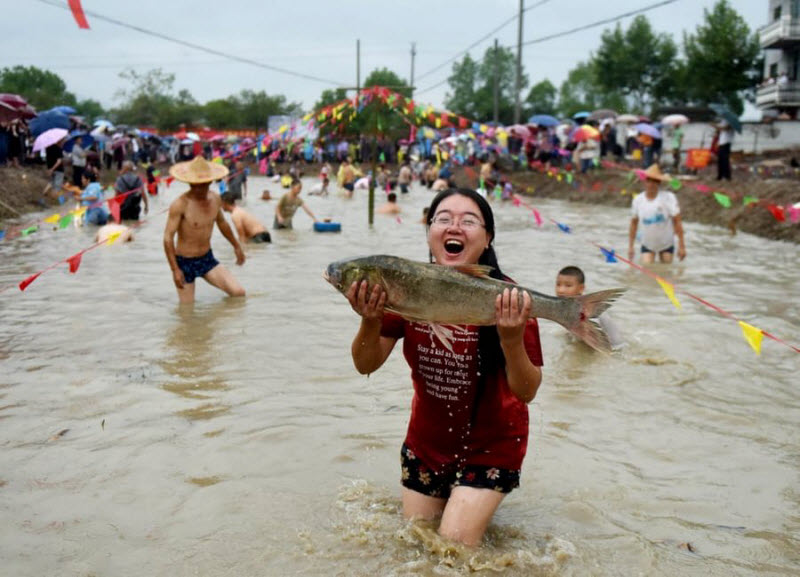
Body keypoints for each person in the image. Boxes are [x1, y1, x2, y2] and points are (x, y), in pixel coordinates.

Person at [344, 187, 544, 547]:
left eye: (468, 221)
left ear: (488, 238)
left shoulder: (509, 300)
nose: (455, 227)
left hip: (492, 446)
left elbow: (527, 391)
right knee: (417, 542)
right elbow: (365, 364)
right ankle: (469, 504)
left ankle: (475, 500)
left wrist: (511, 340)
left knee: (452, 546)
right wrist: (370, 320)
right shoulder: (402, 287)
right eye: (443, 219)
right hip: (427, 444)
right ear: (429, 232)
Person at [163, 156, 246, 304]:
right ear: (190, 183)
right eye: (196, 185)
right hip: (184, 262)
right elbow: (168, 238)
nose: (200, 188)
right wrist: (175, 269)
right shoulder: (180, 204)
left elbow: (222, 223)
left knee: (238, 293)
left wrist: (236, 246)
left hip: (206, 259)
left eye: (204, 184)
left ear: (210, 182)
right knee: (187, 311)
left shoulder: (215, 199)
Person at [628, 164, 686, 264]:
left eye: (654, 181)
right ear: (645, 182)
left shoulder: (669, 198)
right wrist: (630, 247)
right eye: (648, 181)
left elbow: (677, 221)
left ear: (659, 183)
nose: (651, 184)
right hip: (647, 244)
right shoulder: (638, 200)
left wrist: (682, 246)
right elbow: (634, 224)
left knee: (666, 271)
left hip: (666, 244)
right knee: (647, 270)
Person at [555, 266, 623, 350]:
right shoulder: (569, 306)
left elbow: (598, 342)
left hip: (614, 347)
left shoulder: (587, 310)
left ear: (581, 288)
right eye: (558, 284)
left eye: (568, 286)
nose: (561, 290)